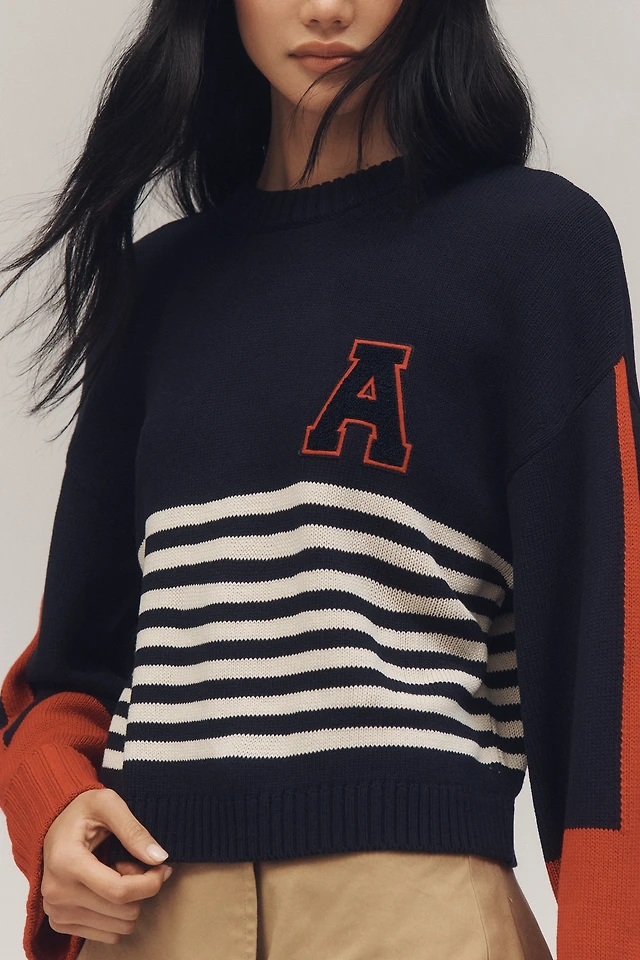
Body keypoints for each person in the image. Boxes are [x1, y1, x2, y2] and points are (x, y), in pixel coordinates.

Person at [0, 0, 638, 958]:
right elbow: (69, 671)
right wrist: (53, 808)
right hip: (151, 916)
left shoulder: (533, 247)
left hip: (412, 914)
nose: (327, 8)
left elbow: (606, 671)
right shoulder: (155, 289)